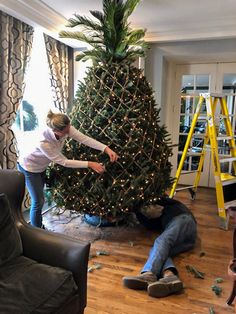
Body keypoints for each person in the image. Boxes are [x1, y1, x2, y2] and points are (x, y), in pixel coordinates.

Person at [17, 110, 118, 229]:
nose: (69, 131)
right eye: (66, 131)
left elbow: (84, 139)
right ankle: (37, 231)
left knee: (40, 199)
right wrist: (90, 164)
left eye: (69, 128)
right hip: (29, 167)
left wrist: (106, 149)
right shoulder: (43, 142)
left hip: (41, 166)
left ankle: (38, 227)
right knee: (38, 201)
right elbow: (64, 162)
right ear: (56, 131)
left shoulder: (66, 127)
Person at [122, 197, 197, 298]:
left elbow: (158, 200)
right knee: (160, 251)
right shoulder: (155, 215)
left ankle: (149, 273)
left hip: (184, 220)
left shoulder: (165, 203)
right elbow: (150, 224)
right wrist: (139, 213)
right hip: (188, 239)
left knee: (161, 241)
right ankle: (170, 276)